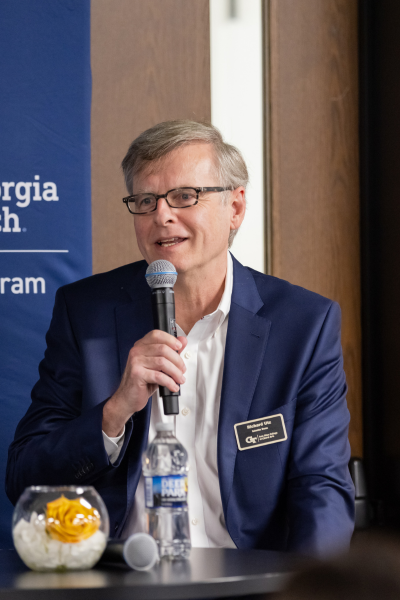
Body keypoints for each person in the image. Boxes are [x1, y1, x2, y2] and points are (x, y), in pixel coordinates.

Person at [6, 120, 354, 555]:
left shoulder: (303, 325)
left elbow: (320, 486)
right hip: (121, 583)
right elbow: (24, 479)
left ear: (236, 207)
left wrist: (314, 590)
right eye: (146, 201)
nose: (162, 216)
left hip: (248, 582)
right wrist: (114, 412)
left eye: (185, 196)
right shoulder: (86, 313)